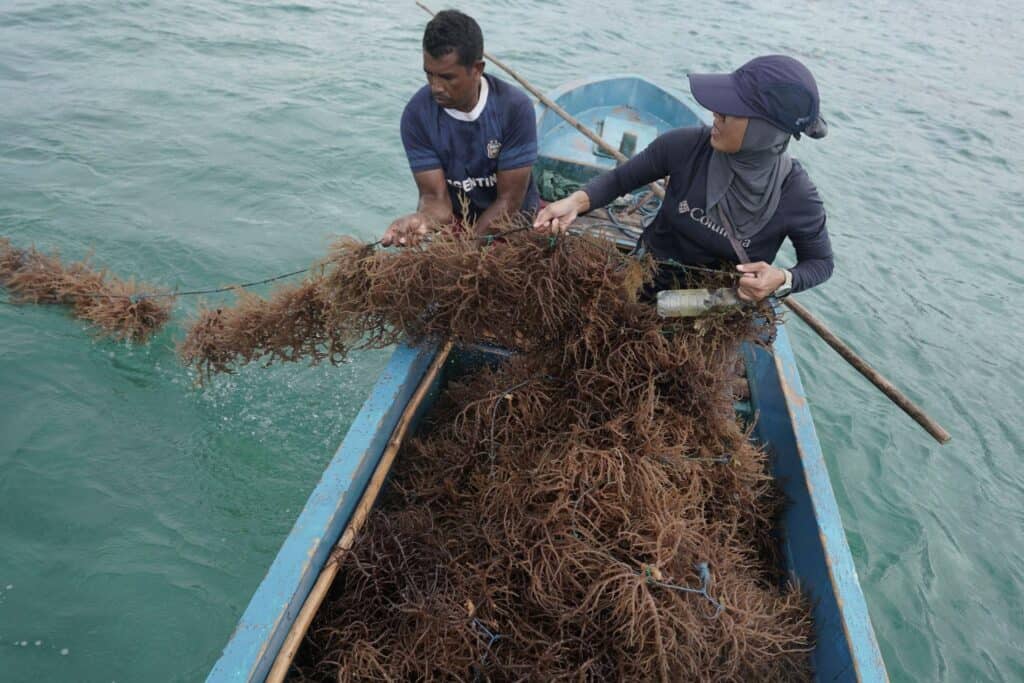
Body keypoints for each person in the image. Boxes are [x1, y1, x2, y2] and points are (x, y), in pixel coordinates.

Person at [534, 55, 833, 302]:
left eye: (731, 111)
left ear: (765, 130)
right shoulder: (685, 146)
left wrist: (782, 278)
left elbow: (820, 263)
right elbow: (618, 182)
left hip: (713, 308)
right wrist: (575, 202)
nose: (716, 113)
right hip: (645, 279)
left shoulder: (796, 194)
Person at [382, 10, 540, 247]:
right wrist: (422, 219)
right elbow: (435, 199)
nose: (436, 87)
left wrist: (467, 252)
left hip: (514, 221)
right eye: (429, 74)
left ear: (477, 69)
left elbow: (510, 201)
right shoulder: (417, 115)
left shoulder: (514, 108)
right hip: (460, 221)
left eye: (447, 77)